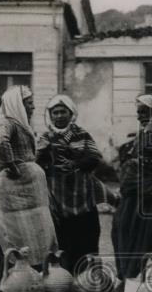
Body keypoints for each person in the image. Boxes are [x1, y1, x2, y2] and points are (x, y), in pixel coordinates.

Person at [0, 85, 58, 270]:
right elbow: (0, 142)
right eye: (29, 103)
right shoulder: (7, 123)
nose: (33, 107)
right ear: (17, 104)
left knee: (36, 230)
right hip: (15, 189)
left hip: (29, 188)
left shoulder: (20, 125)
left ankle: (34, 272)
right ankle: (19, 276)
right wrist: (12, 165)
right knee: (14, 232)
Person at [36, 94, 103, 276]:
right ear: (50, 116)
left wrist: (75, 164)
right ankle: (63, 281)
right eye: (55, 113)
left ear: (71, 113)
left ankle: (86, 283)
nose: (59, 116)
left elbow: (95, 158)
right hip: (58, 199)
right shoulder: (45, 137)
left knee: (86, 242)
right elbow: (36, 163)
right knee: (63, 244)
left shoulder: (81, 134)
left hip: (82, 197)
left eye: (62, 112)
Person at [111, 94, 152, 280]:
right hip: (132, 195)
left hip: (148, 198)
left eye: (145, 112)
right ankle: (125, 276)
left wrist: (132, 166)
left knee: (139, 239)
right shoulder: (145, 133)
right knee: (121, 230)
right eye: (138, 113)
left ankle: (131, 278)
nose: (140, 116)